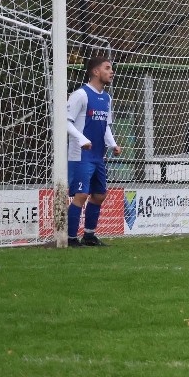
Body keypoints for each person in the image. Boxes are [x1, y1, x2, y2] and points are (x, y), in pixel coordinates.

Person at [65, 55, 122, 248]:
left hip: (98, 155)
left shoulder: (106, 98)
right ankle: (71, 239)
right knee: (81, 195)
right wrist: (82, 140)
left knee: (99, 195)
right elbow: (65, 122)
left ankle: (89, 236)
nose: (111, 71)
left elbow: (105, 126)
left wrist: (113, 144)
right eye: (107, 68)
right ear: (95, 72)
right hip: (80, 155)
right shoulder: (80, 95)